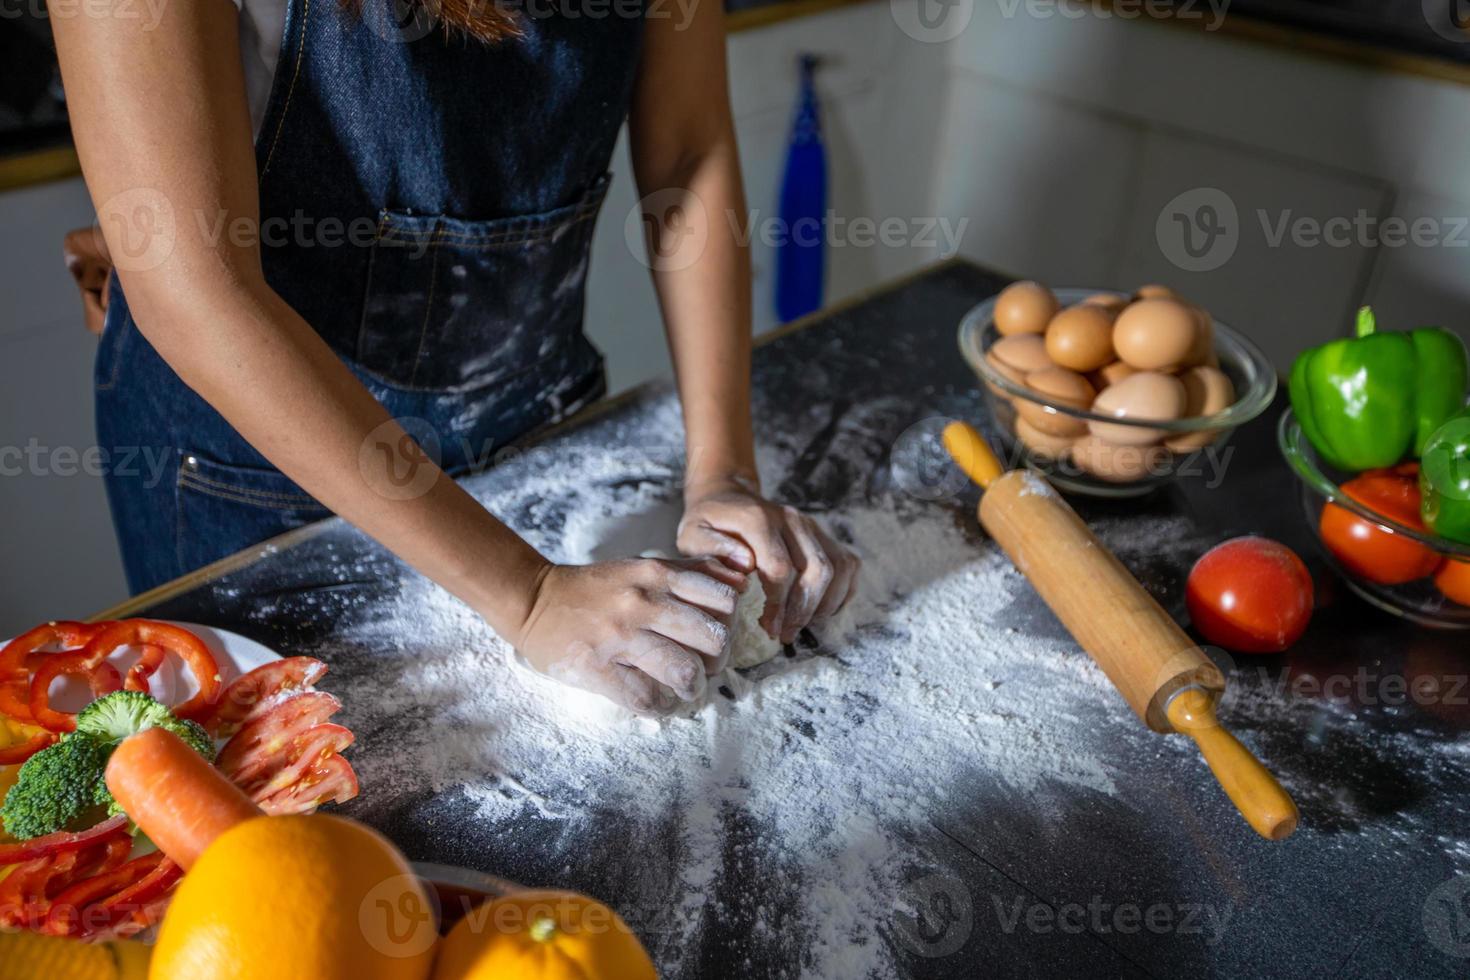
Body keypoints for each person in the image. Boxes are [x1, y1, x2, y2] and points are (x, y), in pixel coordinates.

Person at [51, 0, 859, 714]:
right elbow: (194, 288)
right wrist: (531, 594)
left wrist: (722, 470)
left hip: (532, 416)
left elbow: (688, 155)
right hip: (256, 471)